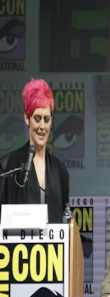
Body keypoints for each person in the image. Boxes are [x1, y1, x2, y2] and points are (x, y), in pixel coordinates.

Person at [0, 78, 69, 223]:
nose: (42, 126)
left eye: (47, 119)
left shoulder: (60, 170)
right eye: (37, 119)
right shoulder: (7, 165)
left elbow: (66, 217)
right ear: (27, 118)